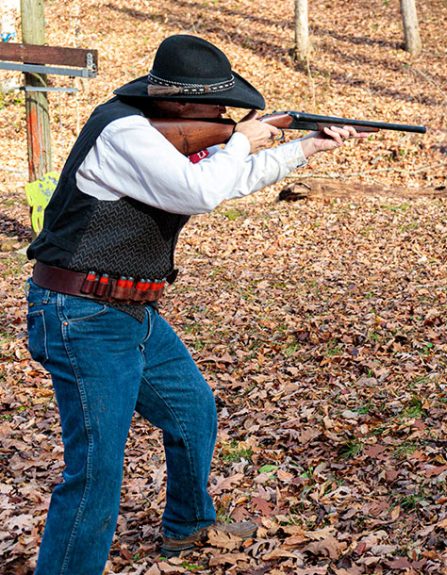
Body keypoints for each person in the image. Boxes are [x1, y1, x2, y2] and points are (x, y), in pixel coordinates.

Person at [23, 34, 369, 574]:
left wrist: (306, 147)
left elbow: (225, 180)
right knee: (95, 474)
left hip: (131, 309)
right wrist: (242, 140)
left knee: (193, 411)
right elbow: (201, 191)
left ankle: (186, 526)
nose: (226, 114)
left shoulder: (160, 130)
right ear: (181, 104)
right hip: (82, 312)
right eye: (218, 106)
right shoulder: (124, 132)